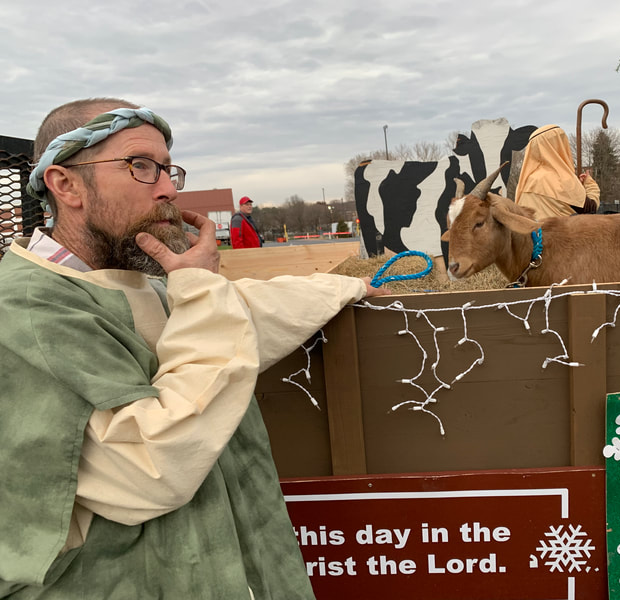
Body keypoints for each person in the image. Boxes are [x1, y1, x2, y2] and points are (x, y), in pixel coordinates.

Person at [0, 97, 390, 599]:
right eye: (139, 165)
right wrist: (201, 290)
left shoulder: (130, 284)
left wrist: (349, 287)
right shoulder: (25, 309)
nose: (166, 188)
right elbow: (150, 466)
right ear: (66, 184)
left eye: (167, 169)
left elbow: (241, 314)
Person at [514, 124, 600, 218]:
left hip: (532, 232)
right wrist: (590, 184)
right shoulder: (564, 179)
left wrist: (578, 189)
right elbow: (590, 209)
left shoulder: (526, 181)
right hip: (558, 232)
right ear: (559, 145)